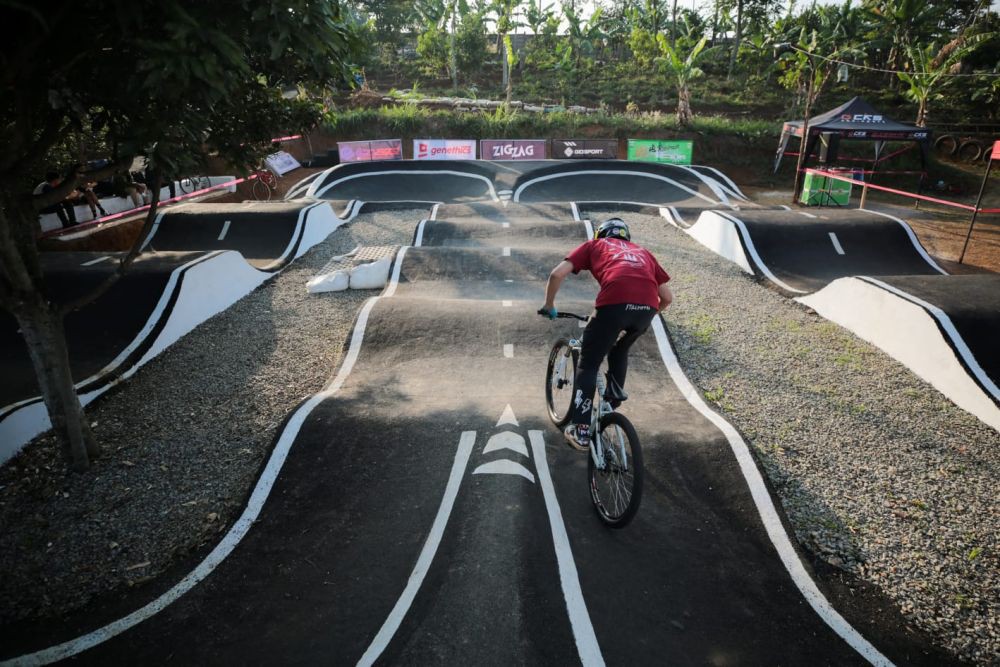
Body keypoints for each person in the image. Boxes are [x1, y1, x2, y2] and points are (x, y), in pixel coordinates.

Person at [541, 218, 672, 450]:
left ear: (600, 234)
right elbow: (668, 298)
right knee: (620, 349)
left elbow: (556, 274)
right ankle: (611, 404)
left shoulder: (594, 246)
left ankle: (581, 429)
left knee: (589, 363)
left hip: (613, 304)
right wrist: (645, 313)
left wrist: (549, 305)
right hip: (647, 307)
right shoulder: (643, 253)